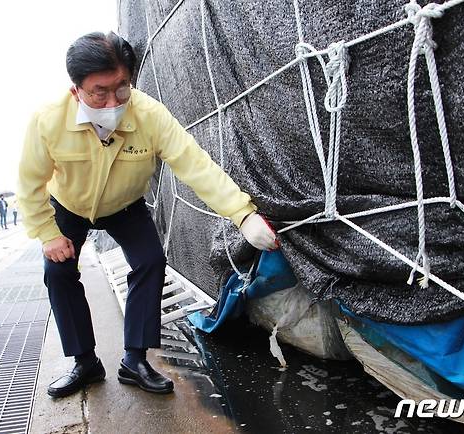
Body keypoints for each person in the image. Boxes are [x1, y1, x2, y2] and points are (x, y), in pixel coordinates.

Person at [17, 31, 277, 399]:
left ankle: (134, 360)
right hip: (70, 207)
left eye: (121, 88)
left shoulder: (149, 115)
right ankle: (84, 362)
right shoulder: (47, 122)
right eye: (99, 92)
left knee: (151, 261)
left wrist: (242, 214)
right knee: (58, 272)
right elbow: (29, 185)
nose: (113, 101)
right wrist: (47, 233)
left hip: (125, 205)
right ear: (76, 91)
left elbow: (195, 165)